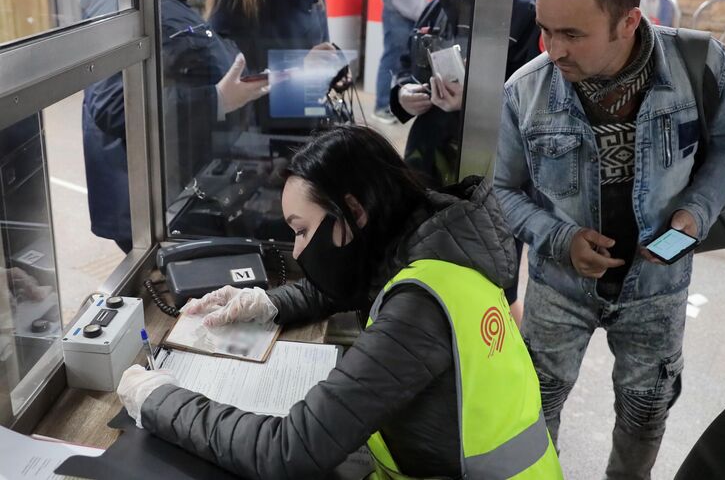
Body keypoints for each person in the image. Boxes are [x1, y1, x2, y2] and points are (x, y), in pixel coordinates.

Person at [117, 125, 563, 479]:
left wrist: (159, 400)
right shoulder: (437, 242)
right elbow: (354, 283)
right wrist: (268, 303)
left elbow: (287, 450)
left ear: (353, 211)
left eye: (302, 230)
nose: (296, 251)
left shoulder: (418, 312)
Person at [493, 0, 725, 478]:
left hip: (657, 286)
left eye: (572, 33)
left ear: (628, 22)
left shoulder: (701, 65)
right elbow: (500, 190)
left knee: (645, 412)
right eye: (545, 30)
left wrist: (693, 215)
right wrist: (559, 238)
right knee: (534, 410)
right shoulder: (525, 91)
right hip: (558, 290)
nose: (553, 49)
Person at [81, 0, 268, 252]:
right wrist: (216, 100)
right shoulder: (120, 3)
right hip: (151, 204)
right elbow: (113, 106)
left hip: (180, 186)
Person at [391, 0, 540, 188]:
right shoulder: (439, 1)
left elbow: (534, 102)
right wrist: (402, 95)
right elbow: (406, 64)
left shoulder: (528, 10)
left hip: (488, 166)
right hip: (426, 158)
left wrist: (476, 103)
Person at [372, 0, 430, 125]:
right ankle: (381, 106)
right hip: (397, 13)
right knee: (391, 59)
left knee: (403, 63)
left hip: (411, 13)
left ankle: (395, 105)